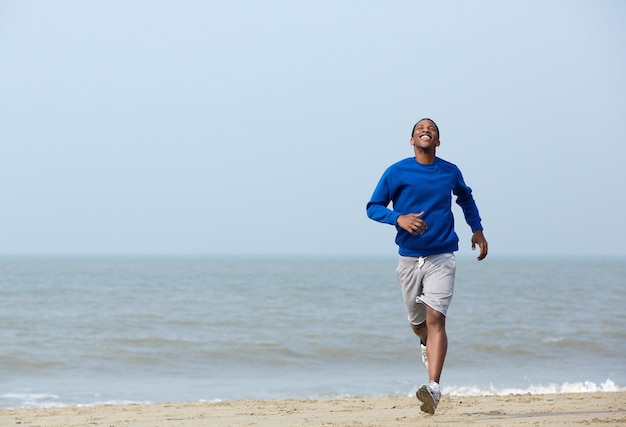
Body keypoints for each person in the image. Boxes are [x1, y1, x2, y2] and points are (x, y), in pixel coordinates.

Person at [366, 118, 488, 415]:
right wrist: (399, 218)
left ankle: (433, 388)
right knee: (418, 324)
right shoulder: (397, 172)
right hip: (409, 259)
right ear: (412, 140)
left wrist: (477, 228)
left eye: (432, 129)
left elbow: (465, 196)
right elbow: (373, 207)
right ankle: (425, 343)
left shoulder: (449, 171)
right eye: (421, 128)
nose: (426, 130)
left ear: (437, 141)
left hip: (442, 256)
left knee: (436, 319)